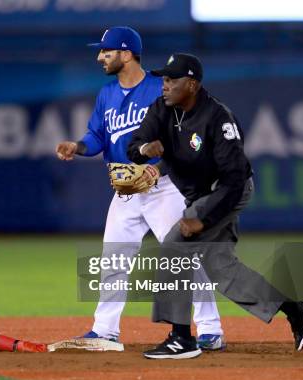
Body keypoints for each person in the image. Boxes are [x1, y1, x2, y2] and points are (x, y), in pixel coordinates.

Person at [127, 53, 303, 359]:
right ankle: (296, 310)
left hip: (225, 192)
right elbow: (135, 143)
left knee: (173, 247)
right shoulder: (162, 110)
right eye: (163, 79)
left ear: (191, 84)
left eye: (171, 80)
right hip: (199, 195)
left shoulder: (218, 118)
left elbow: (234, 179)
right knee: (221, 268)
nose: (164, 86)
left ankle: (180, 338)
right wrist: (142, 148)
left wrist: (204, 218)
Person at [55, 27, 225, 351]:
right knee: (113, 259)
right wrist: (76, 146)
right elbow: (97, 137)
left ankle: (211, 328)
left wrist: (160, 168)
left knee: (183, 259)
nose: (99, 57)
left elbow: (182, 138)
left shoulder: (158, 89)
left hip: (162, 187)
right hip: (126, 188)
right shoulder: (106, 93)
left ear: (126, 53)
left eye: (106, 51)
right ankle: (105, 329)